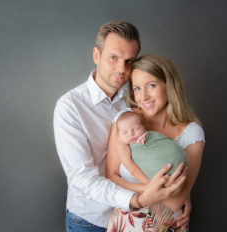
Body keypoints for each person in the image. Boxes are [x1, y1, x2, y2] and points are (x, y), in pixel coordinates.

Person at [53, 21, 188, 232]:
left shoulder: (137, 99)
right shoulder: (70, 107)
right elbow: (82, 178)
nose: (122, 69)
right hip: (90, 222)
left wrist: (180, 194)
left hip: (137, 220)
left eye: (129, 61)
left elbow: (157, 149)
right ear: (96, 56)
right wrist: (139, 198)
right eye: (113, 58)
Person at [106, 54, 205, 231]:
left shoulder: (192, 133)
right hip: (125, 224)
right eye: (136, 88)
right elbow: (111, 177)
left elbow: (174, 202)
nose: (143, 96)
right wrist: (150, 189)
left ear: (169, 85)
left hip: (165, 225)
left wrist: (131, 166)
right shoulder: (126, 121)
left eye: (151, 85)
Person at [115, 110, 187, 179]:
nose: (131, 134)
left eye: (136, 129)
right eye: (125, 132)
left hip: (175, 162)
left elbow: (163, 141)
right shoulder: (123, 146)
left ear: (144, 127)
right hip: (152, 182)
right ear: (119, 136)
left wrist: (146, 137)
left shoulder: (148, 136)